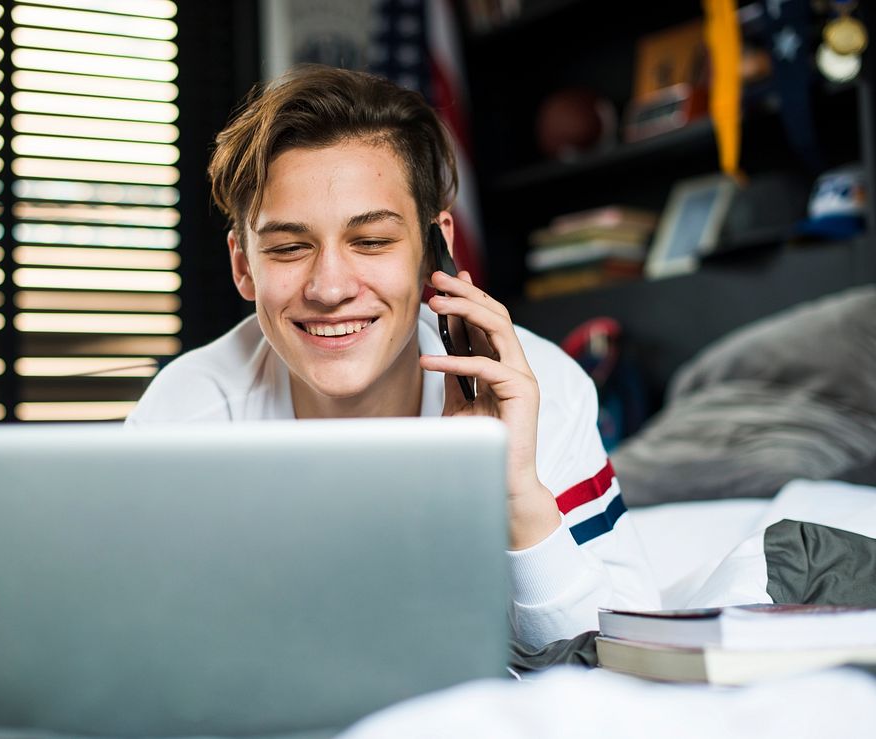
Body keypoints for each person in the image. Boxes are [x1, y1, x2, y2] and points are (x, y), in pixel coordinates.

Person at [127, 64, 659, 650]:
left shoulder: (535, 388)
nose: (329, 288)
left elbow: (626, 664)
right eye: (287, 248)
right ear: (243, 265)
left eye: (373, 241)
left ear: (436, 249)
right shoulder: (184, 415)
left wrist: (516, 499)